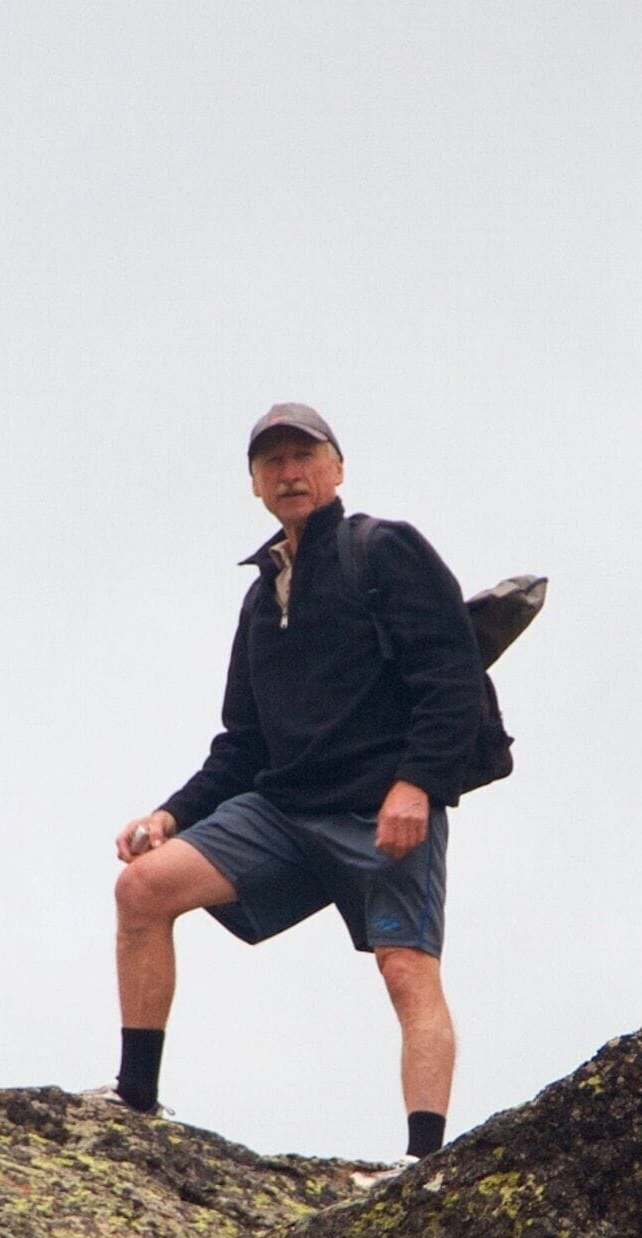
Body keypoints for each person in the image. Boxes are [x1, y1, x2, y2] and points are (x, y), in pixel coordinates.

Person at [112, 402, 494, 1162]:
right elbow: (243, 743)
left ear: (337, 468)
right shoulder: (261, 599)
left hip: (380, 807)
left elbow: (452, 677)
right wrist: (172, 814)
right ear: (254, 484)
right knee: (141, 888)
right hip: (283, 809)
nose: (289, 473)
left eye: (304, 456)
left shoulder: (383, 550)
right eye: (272, 462)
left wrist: (416, 782)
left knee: (408, 972)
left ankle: (423, 1165)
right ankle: (134, 1101)